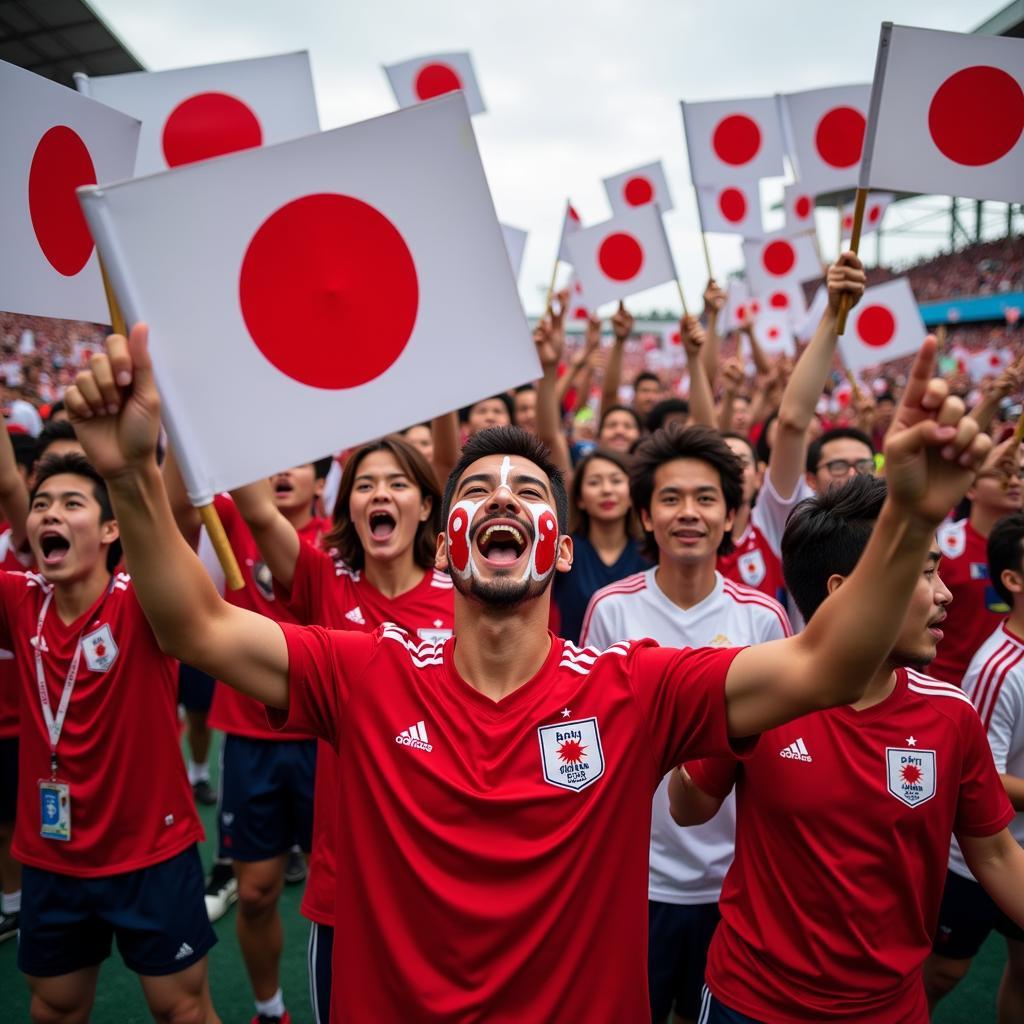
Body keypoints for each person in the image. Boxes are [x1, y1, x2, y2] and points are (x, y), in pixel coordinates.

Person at [66, 325, 991, 1022]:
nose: (502, 497)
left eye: (528, 492)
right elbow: (193, 624)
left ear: (555, 543)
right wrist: (128, 475)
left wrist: (909, 522)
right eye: (475, 490)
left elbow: (826, 662)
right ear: (448, 538)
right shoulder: (366, 671)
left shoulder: (637, 687)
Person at [671, 474, 1024, 1023]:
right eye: (924, 571)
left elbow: (997, 855)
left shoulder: (951, 715)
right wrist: (696, 718)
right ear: (844, 591)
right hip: (749, 1003)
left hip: (889, 1009)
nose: (945, 593)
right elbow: (687, 810)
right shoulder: (759, 693)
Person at [229, 435, 454, 1024]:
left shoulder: (463, 597)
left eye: (398, 483)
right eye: (365, 484)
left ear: (428, 505)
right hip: (346, 875)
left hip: (441, 870)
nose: (381, 494)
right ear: (346, 505)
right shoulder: (322, 578)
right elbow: (254, 506)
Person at [581, 425, 790, 1024]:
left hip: (734, 885)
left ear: (730, 516)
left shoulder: (763, 617)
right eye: (670, 499)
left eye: (705, 499)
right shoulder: (610, 609)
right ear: (644, 515)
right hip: (632, 881)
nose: (688, 513)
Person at [4, 453, 216, 1023]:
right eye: (41, 504)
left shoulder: (142, 599)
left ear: (110, 529)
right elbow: (6, 482)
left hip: (151, 853)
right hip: (52, 856)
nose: (51, 513)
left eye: (72, 503)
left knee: (183, 1009)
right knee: (55, 1005)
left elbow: (174, 516)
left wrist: (148, 446)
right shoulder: (19, 600)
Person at [166, 455, 332, 1024]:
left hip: (325, 741)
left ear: (323, 478)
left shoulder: (342, 540)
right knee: (257, 892)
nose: (284, 471)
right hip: (248, 736)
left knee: (340, 897)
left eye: (300, 462)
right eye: (271, 461)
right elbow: (173, 511)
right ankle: (270, 1010)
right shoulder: (230, 520)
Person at [925, 511, 1024, 1022]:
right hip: (977, 855)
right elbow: (983, 774)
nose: (940, 592)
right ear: (1013, 580)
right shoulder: (997, 667)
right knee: (945, 972)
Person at [930, 438, 1024, 685]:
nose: (1014, 481)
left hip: (1015, 686)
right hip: (953, 688)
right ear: (970, 488)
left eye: (1019, 474)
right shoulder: (943, 547)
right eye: (1000, 474)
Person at [552, 448, 648, 643]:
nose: (606, 490)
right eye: (594, 482)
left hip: (637, 670)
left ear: (632, 495)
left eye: (616, 481)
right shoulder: (563, 551)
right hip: (576, 668)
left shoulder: (651, 554)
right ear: (579, 499)